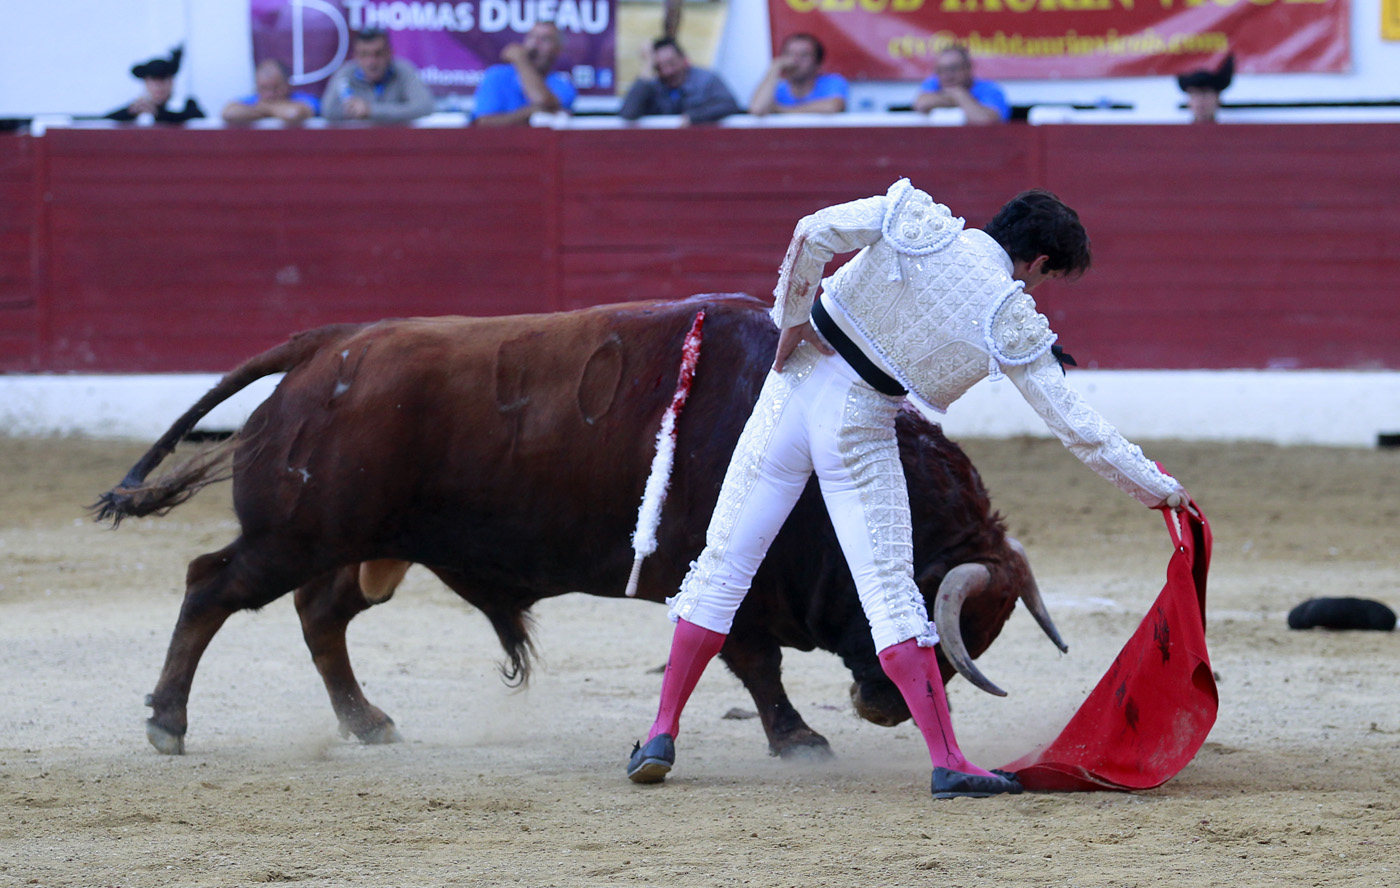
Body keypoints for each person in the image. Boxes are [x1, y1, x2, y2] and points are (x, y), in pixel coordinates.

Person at [626, 180, 1194, 799]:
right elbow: (1078, 428)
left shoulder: (913, 217)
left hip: (788, 394)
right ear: (1038, 262)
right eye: (1046, 278)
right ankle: (948, 760)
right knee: (891, 595)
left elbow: (812, 232)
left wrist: (791, 318)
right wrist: (1159, 490)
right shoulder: (1009, 315)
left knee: (721, 568)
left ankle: (660, 734)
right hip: (858, 426)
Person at [472, 22, 576, 126]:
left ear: (558, 49)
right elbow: (483, 123)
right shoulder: (496, 76)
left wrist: (520, 60)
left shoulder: (563, 85)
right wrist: (529, 112)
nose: (536, 44)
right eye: (532, 37)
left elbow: (542, 101)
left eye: (545, 39)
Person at [321, 29, 435, 123]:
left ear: (390, 53)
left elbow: (424, 106)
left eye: (378, 54)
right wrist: (354, 110)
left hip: (398, 139)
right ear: (355, 56)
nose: (371, 62)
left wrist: (371, 110)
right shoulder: (346, 74)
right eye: (364, 54)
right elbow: (328, 111)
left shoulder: (403, 71)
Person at [619, 37, 740, 124]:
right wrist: (647, 66)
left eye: (671, 63)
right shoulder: (650, 85)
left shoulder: (706, 80)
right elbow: (628, 113)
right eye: (660, 66)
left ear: (684, 59)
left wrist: (693, 117)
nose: (668, 71)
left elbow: (728, 104)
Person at [748, 33, 848, 117]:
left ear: (817, 64)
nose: (795, 61)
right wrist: (775, 66)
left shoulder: (833, 82)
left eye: (804, 55)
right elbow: (757, 109)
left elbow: (832, 107)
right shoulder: (777, 88)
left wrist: (782, 111)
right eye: (789, 54)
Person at [106, 46, 204, 124]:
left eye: (163, 80)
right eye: (153, 81)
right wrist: (129, 113)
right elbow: (105, 120)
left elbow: (198, 119)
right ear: (146, 83)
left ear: (171, 82)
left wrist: (158, 114)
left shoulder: (186, 104)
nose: (158, 86)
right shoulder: (138, 106)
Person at [912, 45, 1008, 124]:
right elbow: (921, 104)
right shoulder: (934, 82)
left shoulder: (989, 89)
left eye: (953, 69)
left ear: (968, 68)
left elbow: (986, 121)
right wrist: (958, 99)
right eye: (940, 70)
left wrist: (959, 94)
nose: (947, 76)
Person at [221, 59, 319, 125]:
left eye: (275, 88)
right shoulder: (252, 99)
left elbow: (294, 114)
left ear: (287, 84)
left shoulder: (304, 99)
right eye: (264, 88)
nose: (270, 94)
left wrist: (264, 109)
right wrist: (276, 111)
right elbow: (229, 114)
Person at [1178, 54, 1234, 124]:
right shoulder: (1178, 131)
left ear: (1218, 98)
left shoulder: (1230, 131)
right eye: (1195, 94)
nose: (1200, 101)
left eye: (1205, 93)